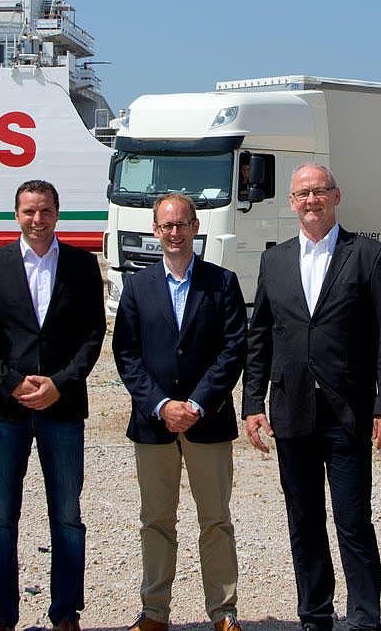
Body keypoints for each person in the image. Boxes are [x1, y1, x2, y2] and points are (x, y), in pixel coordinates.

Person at [243, 163, 381, 631]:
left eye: (319, 192)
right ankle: (315, 614)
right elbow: (261, 338)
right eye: (302, 194)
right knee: (304, 521)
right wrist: (253, 403)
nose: (311, 201)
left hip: (348, 412)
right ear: (291, 203)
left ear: (336, 196)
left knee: (354, 521)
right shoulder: (274, 261)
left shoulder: (368, 255)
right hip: (292, 411)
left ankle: (363, 618)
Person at [0, 179, 106, 631]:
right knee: (2, 515)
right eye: (29, 212)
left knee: (67, 515)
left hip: (62, 409)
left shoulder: (82, 265)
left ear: (57, 213)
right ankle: (1, 613)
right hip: (6, 411)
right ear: (17, 215)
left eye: (45, 211)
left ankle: (66, 612)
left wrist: (61, 383)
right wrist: (10, 384)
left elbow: (93, 333)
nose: (37, 220)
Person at [112, 194, 248, 631]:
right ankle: (154, 613)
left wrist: (195, 404)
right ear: (155, 230)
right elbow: (126, 354)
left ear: (195, 228)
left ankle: (223, 612)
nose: (174, 233)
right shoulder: (137, 285)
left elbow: (233, 351)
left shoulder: (222, 283)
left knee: (216, 520)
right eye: (166, 225)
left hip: (207, 421)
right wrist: (161, 405)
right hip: (153, 425)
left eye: (182, 224)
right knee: (155, 521)